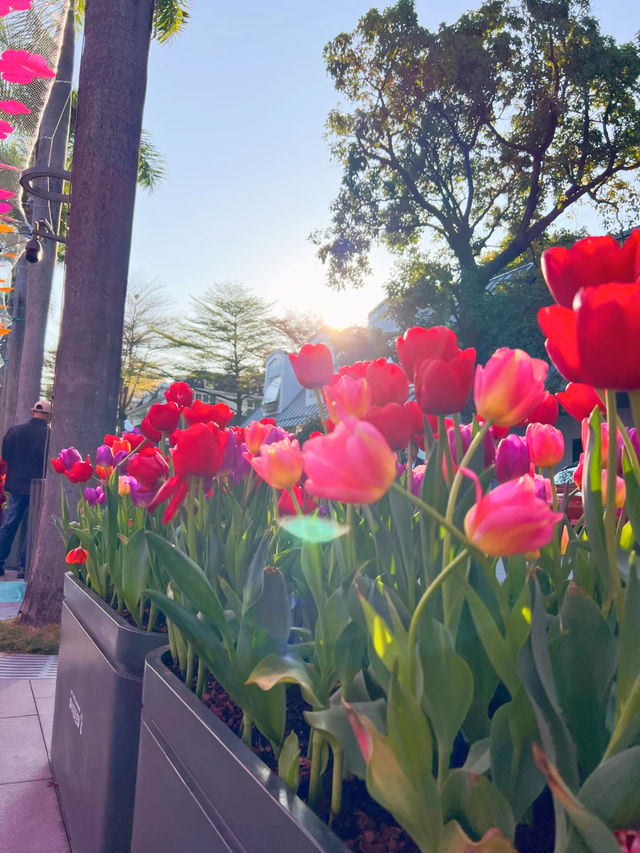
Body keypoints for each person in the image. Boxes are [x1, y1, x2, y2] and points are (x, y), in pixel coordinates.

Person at [0, 399, 51, 577]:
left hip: (15, 485)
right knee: (33, 528)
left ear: (33, 413)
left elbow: (5, 455)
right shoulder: (49, 435)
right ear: (48, 416)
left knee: (9, 524)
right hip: (37, 487)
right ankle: (24, 567)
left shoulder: (15, 431)